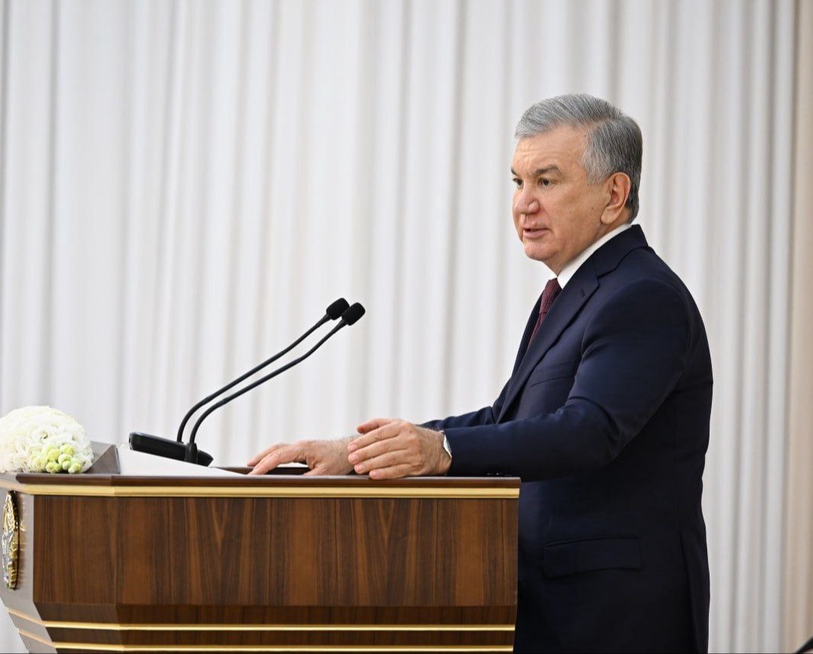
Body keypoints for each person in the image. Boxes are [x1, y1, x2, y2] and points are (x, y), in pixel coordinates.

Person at [248, 93, 712, 653]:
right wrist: (361, 452)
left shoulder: (642, 294)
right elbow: (505, 419)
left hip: (613, 615)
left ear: (614, 195)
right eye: (517, 182)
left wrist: (442, 450)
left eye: (546, 181)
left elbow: (589, 430)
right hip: (554, 604)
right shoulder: (577, 291)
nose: (523, 204)